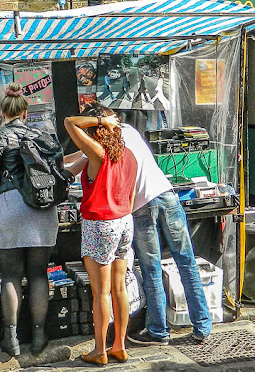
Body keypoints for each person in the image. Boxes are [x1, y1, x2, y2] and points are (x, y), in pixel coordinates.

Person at [66, 113, 212, 347]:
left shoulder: (105, 141)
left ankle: (158, 331)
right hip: (167, 196)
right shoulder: (128, 131)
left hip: (141, 207)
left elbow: (77, 158)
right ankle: (202, 325)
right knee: (186, 261)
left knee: (151, 268)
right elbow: (80, 155)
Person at [0, 83, 60, 357]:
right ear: (25, 113)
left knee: (10, 274)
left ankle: (10, 340)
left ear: (3, 111)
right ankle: (39, 336)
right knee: (38, 274)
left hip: (8, 207)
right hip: (42, 208)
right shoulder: (41, 134)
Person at [64, 104, 138, 366]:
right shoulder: (129, 155)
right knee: (120, 287)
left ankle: (99, 349)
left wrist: (100, 119)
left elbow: (69, 122)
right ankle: (119, 345)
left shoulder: (98, 153)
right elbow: (129, 199)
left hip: (100, 224)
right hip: (124, 222)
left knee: (101, 293)